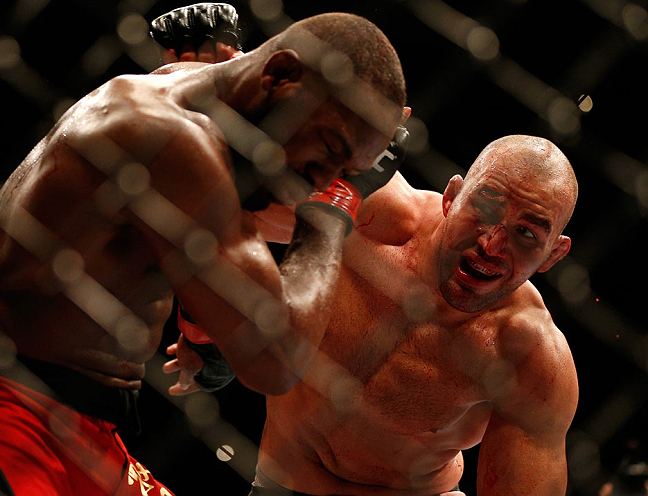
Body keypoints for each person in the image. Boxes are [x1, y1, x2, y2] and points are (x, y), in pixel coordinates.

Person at [0, 10, 408, 495]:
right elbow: (275, 361)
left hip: (83, 425)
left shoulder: (189, 95)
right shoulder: (171, 142)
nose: (319, 181)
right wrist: (334, 208)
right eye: (331, 149)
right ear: (279, 75)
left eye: (347, 170)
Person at [247, 135, 579, 495]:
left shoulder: (529, 355)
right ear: (451, 198)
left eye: (526, 233)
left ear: (552, 256)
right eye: (485, 209)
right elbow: (223, 197)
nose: (491, 244)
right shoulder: (371, 213)